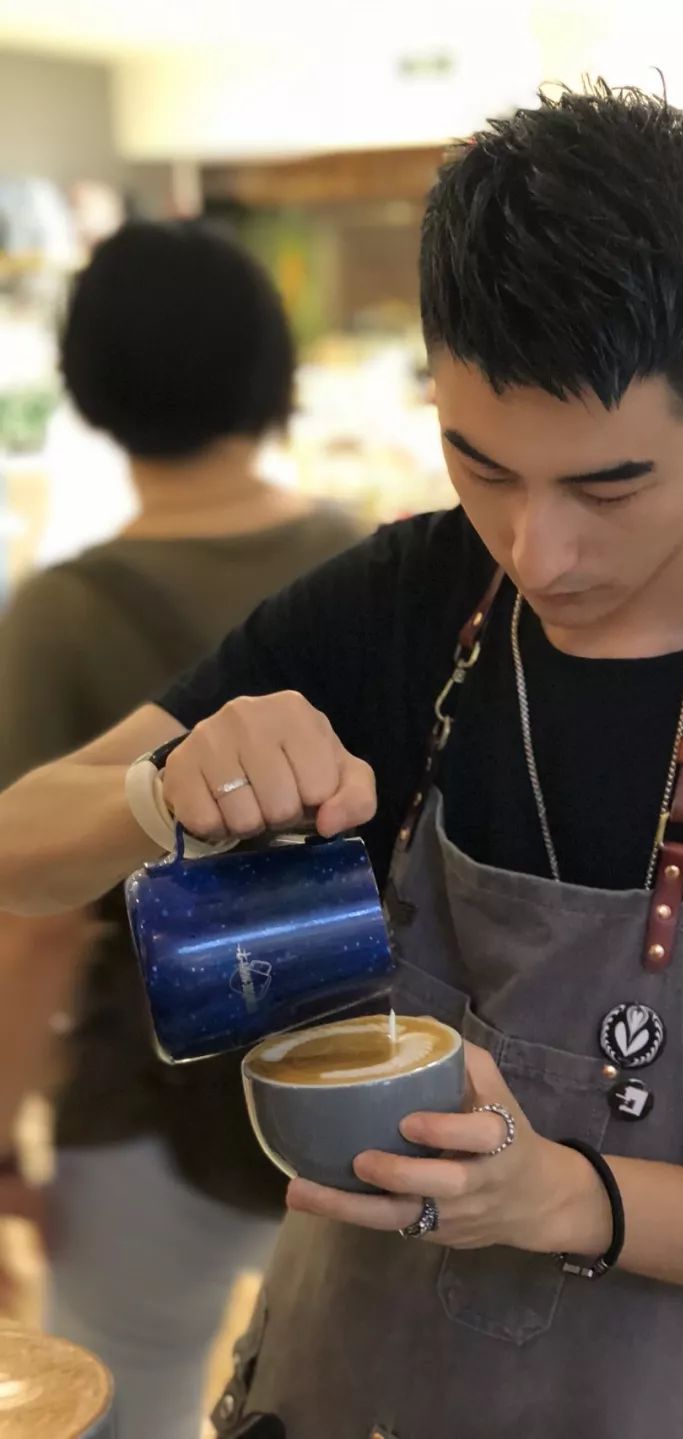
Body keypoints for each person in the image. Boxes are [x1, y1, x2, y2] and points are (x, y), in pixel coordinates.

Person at [0, 86, 683, 1439]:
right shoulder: (399, 601)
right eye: (480, 463)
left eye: (609, 486)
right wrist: (160, 791)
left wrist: (560, 1195)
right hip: (320, 1392)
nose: (535, 551)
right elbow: (22, 852)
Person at [0, 221, 357, 1436]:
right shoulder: (362, 567)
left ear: (89, 382)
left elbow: (33, 925)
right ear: (272, 365)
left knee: (123, 1399)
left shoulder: (64, 615)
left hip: (142, 1111)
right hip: (352, 1079)